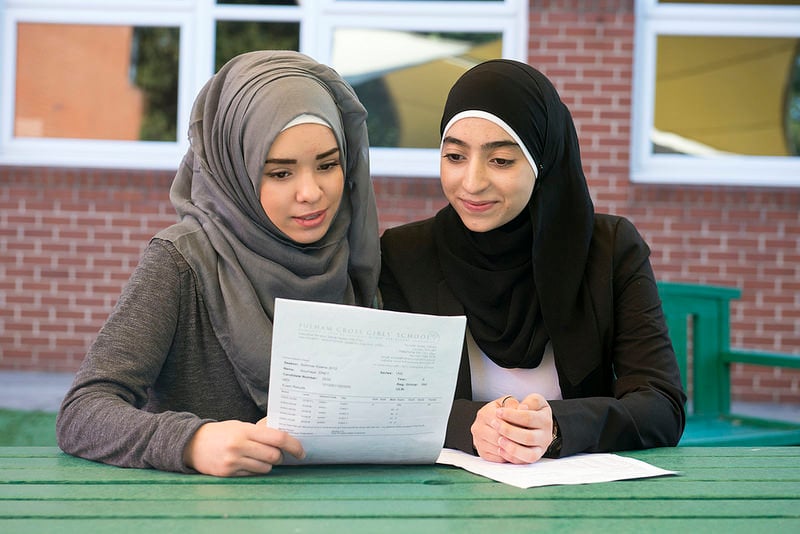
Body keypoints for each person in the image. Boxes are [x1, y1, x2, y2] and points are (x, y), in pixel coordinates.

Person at [56, 50, 380, 476]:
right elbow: (82, 413)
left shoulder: (358, 256)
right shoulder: (181, 261)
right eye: (280, 173)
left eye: (327, 165)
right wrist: (191, 443)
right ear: (235, 170)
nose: (311, 193)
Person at [379, 59, 686, 464]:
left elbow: (662, 405)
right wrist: (470, 425)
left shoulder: (609, 250)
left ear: (542, 162)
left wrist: (557, 427)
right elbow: (387, 402)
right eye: (455, 156)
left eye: (500, 160)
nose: (472, 182)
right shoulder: (405, 255)